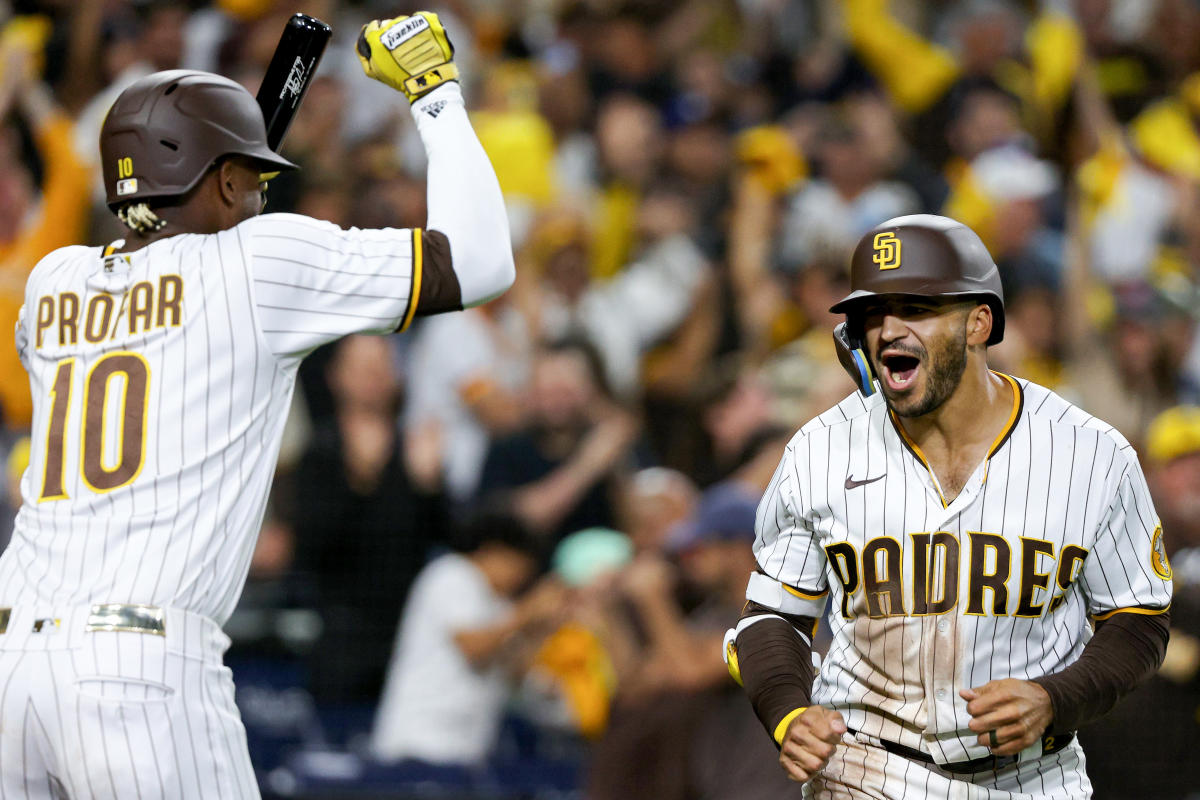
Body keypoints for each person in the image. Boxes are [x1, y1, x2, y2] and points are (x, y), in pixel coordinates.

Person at [0, 12, 512, 799]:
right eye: (250, 173)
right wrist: (437, 92)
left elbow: (167, 286)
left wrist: (228, 204)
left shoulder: (53, 283)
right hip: (141, 670)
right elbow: (478, 262)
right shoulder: (260, 260)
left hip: (12, 670)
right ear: (228, 180)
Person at [726, 214, 1172, 798]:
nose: (889, 330)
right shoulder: (819, 450)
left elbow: (1138, 619)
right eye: (873, 314)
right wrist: (788, 712)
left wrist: (1055, 697)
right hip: (866, 772)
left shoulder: (1090, 453)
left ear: (978, 323)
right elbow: (771, 618)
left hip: (1035, 778)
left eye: (916, 308)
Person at [370, 511, 566, 767]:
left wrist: (542, 628)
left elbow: (517, 674)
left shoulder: (503, 607)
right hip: (418, 746)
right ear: (493, 550)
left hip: (466, 752)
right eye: (518, 566)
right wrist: (528, 612)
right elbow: (472, 647)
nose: (520, 578)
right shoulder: (451, 575)